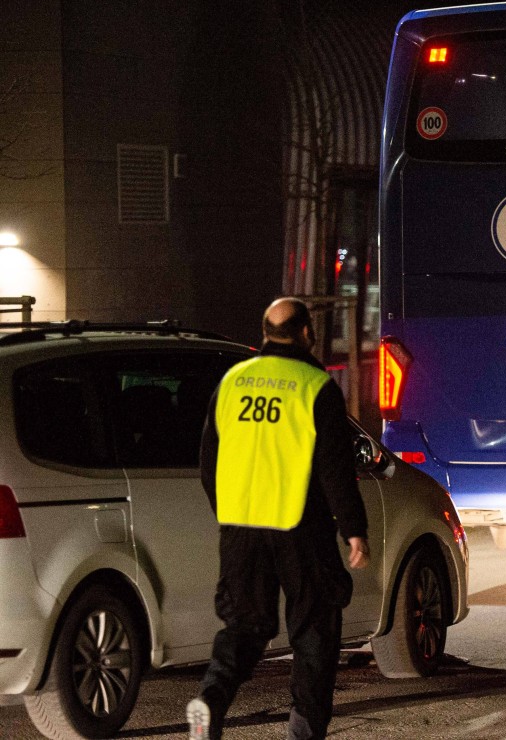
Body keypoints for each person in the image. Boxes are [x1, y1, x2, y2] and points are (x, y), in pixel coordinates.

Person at [187, 298, 369, 740]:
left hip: (240, 529)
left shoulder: (232, 382)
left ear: (264, 331)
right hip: (299, 528)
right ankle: (304, 729)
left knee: (246, 625)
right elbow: (334, 467)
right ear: (306, 333)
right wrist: (353, 528)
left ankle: (211, 700)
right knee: (314, 629)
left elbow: (208, 461)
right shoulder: (313, 385)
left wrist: (229, 514)